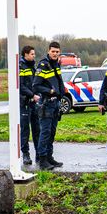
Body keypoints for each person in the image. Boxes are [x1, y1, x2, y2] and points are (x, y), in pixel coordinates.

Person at [31, 41, 68, 170]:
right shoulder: (43, 65)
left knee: (52, 133)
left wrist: (62, 91)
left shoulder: (56, 64)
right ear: (48, 51)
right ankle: (42, 160)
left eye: (57, 52)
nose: (55, 54)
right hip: (46, 104)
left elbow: (58, 81)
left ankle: (49, 157)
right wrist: (50, 91)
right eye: (53, 51)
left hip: (55, 104)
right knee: (45, 133)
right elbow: (36, 86)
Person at [18, 46, 39, 165]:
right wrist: (32, 95)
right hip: (24, 102)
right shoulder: (21, 67)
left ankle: (39, 154)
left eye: (34, 54)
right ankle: (25, 154)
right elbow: (21, 86)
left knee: (37, 129)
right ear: (25, 54)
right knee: (25, 129)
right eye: (32, 54)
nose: (33, 56)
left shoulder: (33, 66)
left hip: (34, 102)